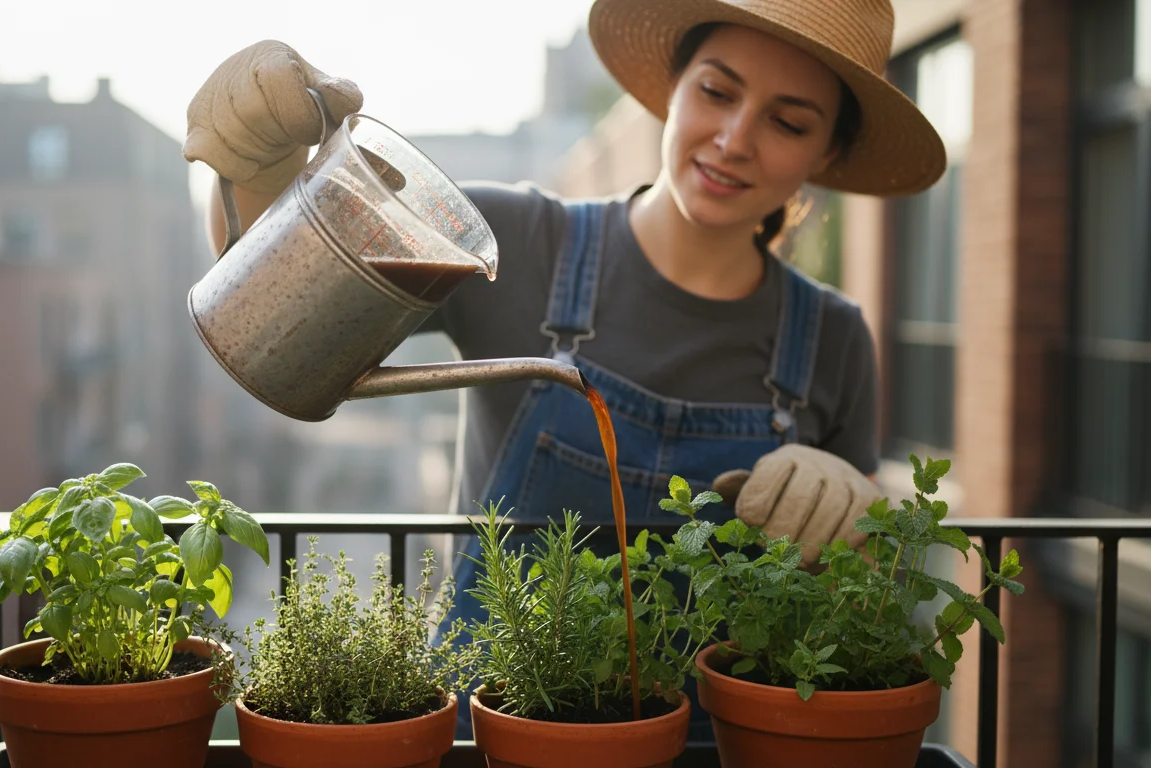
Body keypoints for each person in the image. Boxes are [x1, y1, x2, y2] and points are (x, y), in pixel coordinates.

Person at [182, 0, 945, 739]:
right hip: (489, 736)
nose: (736, 137)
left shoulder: (834, 338)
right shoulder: (514, 243)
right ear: (670, 90)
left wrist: (856, 512)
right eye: (717, 91)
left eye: (788, 121)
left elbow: (863, 609)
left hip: (718, 747)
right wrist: (257, 165)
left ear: (828, 154)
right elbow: (277, 295)